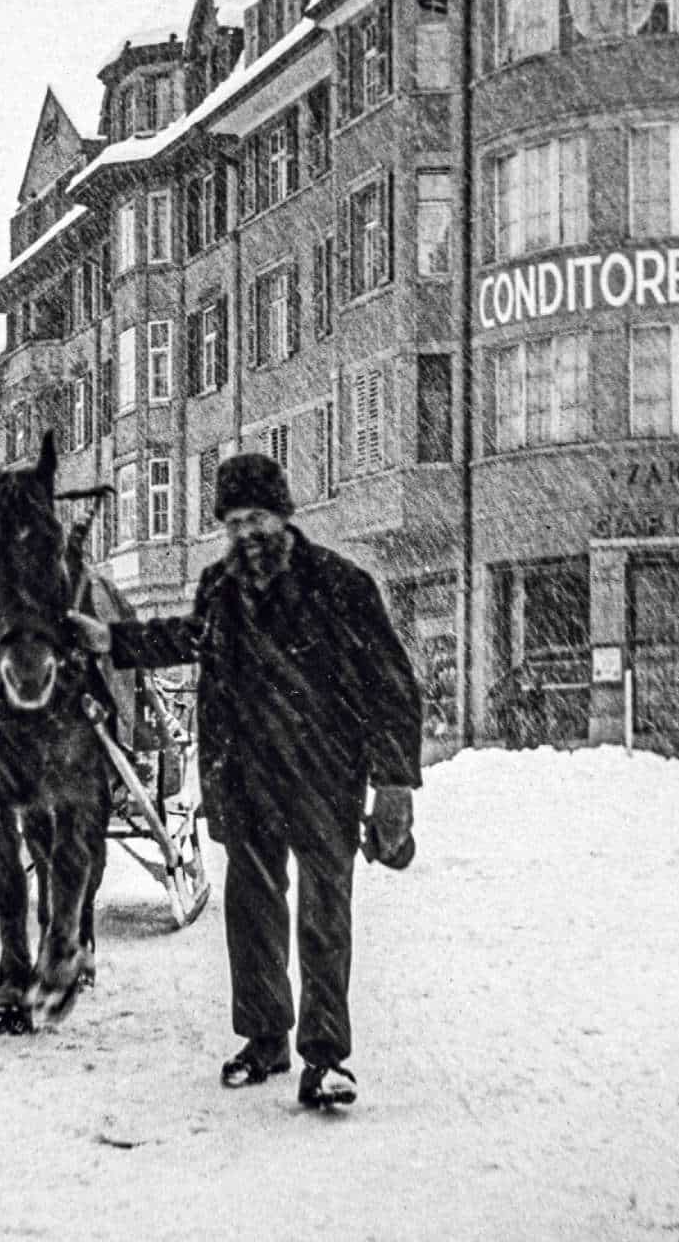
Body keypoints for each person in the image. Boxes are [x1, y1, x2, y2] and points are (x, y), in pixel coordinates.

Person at [69, 453, 422, 1112]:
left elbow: (393, 687)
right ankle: (265, 1037)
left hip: (324, 774)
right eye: (232, 522)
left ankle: (326, 1059)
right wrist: (110, 640)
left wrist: (395, 782)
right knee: (252, 913)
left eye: (256, 517)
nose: (245, 533)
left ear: (283, 516)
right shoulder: (219, 588)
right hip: (247, 777)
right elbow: (188, 637)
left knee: (323, 919)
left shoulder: (340, 585)